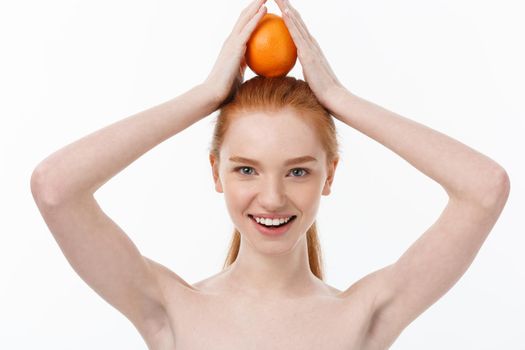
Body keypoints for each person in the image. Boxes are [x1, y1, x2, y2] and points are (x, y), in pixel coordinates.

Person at [30, 0, 510, 348]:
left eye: (298, 170)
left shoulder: (360, 316)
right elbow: (55, 189)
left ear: (330, 174)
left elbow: (484, 189)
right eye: (246, 169)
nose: (273, 197)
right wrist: (203, 96)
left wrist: (340, 98)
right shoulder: (170, 308)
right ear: (216, 172)